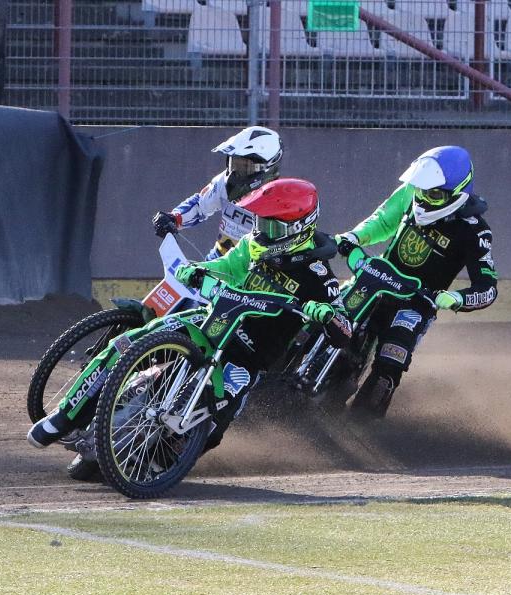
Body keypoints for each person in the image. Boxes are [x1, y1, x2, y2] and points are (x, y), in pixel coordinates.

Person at [29, 177, 351, 457]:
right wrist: (196, 270)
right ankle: (65, 417)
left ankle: (160, 461)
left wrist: (324, 314)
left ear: (297, 228)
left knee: (217, 419)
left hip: (248, 356)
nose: (261, 232)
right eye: (260, 223)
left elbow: (344, 328)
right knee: (127, 343)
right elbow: (224, 267)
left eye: (271, 226)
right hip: (209, 322)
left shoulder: (318, 276)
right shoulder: (252, 245)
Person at [334, 145, 498, 418]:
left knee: (391, 360)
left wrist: (456, 298)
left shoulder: (475, 231)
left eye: (432, 194)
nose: (422, 198)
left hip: (416, 303)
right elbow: (382, 222)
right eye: (420, 190)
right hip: (376, 281)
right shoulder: (411, 193)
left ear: (457, 193)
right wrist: (354, 237)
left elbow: (488, 288)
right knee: (328, 318)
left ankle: (363, 424)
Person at [152, 126, 283, 259]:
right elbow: (200, 205)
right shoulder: (226, 183)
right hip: (218, 261)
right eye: (234, 163)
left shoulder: (281, 201)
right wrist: (173, 218)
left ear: (265, 168)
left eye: (245, 166)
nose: (236, 173)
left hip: (255, 266)